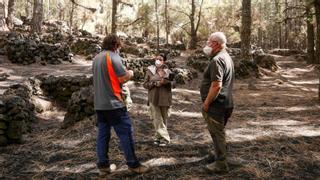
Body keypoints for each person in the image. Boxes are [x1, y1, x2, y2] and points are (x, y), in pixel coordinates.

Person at [92, 34, 149, 177]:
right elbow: (122, 78)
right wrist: (131, 73)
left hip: (99, 104)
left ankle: (103, 167)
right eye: (119, 46)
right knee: (126, 133)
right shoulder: (113, 56)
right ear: (116, 45)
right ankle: (133, 165)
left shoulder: (96, 58)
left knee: (103, 135)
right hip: (114, 104)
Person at [200, 32, 234, 173]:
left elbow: (217, 85)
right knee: (217, 132)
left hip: (216, 105)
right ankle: (218, 155)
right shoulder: (226, 57)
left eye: (209, 41)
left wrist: (207, 103)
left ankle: (221, 164)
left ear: (217, 44)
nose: (207, 44)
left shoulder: (217, 60)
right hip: (225, 103)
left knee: (217, 134)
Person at [143, 53, 174, 147]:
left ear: (163, 61)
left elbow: (174, 84)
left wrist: (166, 82)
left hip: (165, 98)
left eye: (160, 59)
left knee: (163, 119)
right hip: (153, 98)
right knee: (157, 119)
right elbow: (145, 85)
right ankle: (165, 138)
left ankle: (158, 137)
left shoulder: (168, 71)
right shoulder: (150, 70)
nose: (158, 60)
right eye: (156, 59)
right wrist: (155, 83)